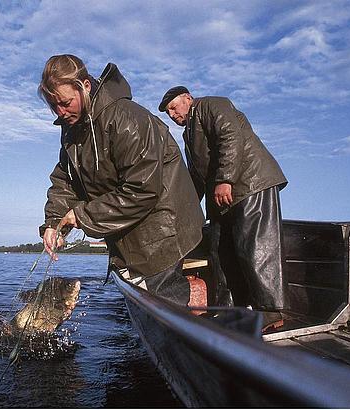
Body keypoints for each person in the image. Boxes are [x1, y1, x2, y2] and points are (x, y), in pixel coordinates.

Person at [37, 54, 205, 307]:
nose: (60, 112)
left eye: (65, 102)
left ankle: (209, 320)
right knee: (151, 302)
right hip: (131, 235)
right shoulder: (74, 130)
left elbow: (143, 190)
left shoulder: (128, 119)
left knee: (167, 303)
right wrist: (53, 222)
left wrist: (81, 216)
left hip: (165, 230)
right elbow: (65, 179)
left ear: (85, 86)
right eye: (53, 106)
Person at [159, 86, 288, 330]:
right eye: (168, 113)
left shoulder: (211, 105)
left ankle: (270, 311)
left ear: (188, 98)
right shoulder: (189, 134)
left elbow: (230, 135)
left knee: (256, 246)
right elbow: (196, 178)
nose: (172, 115)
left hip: (250, 183)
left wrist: (224, 179)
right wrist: (180, 210)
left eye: (174, 108)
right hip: (223, 195)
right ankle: (228, 308)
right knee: (219, 249)